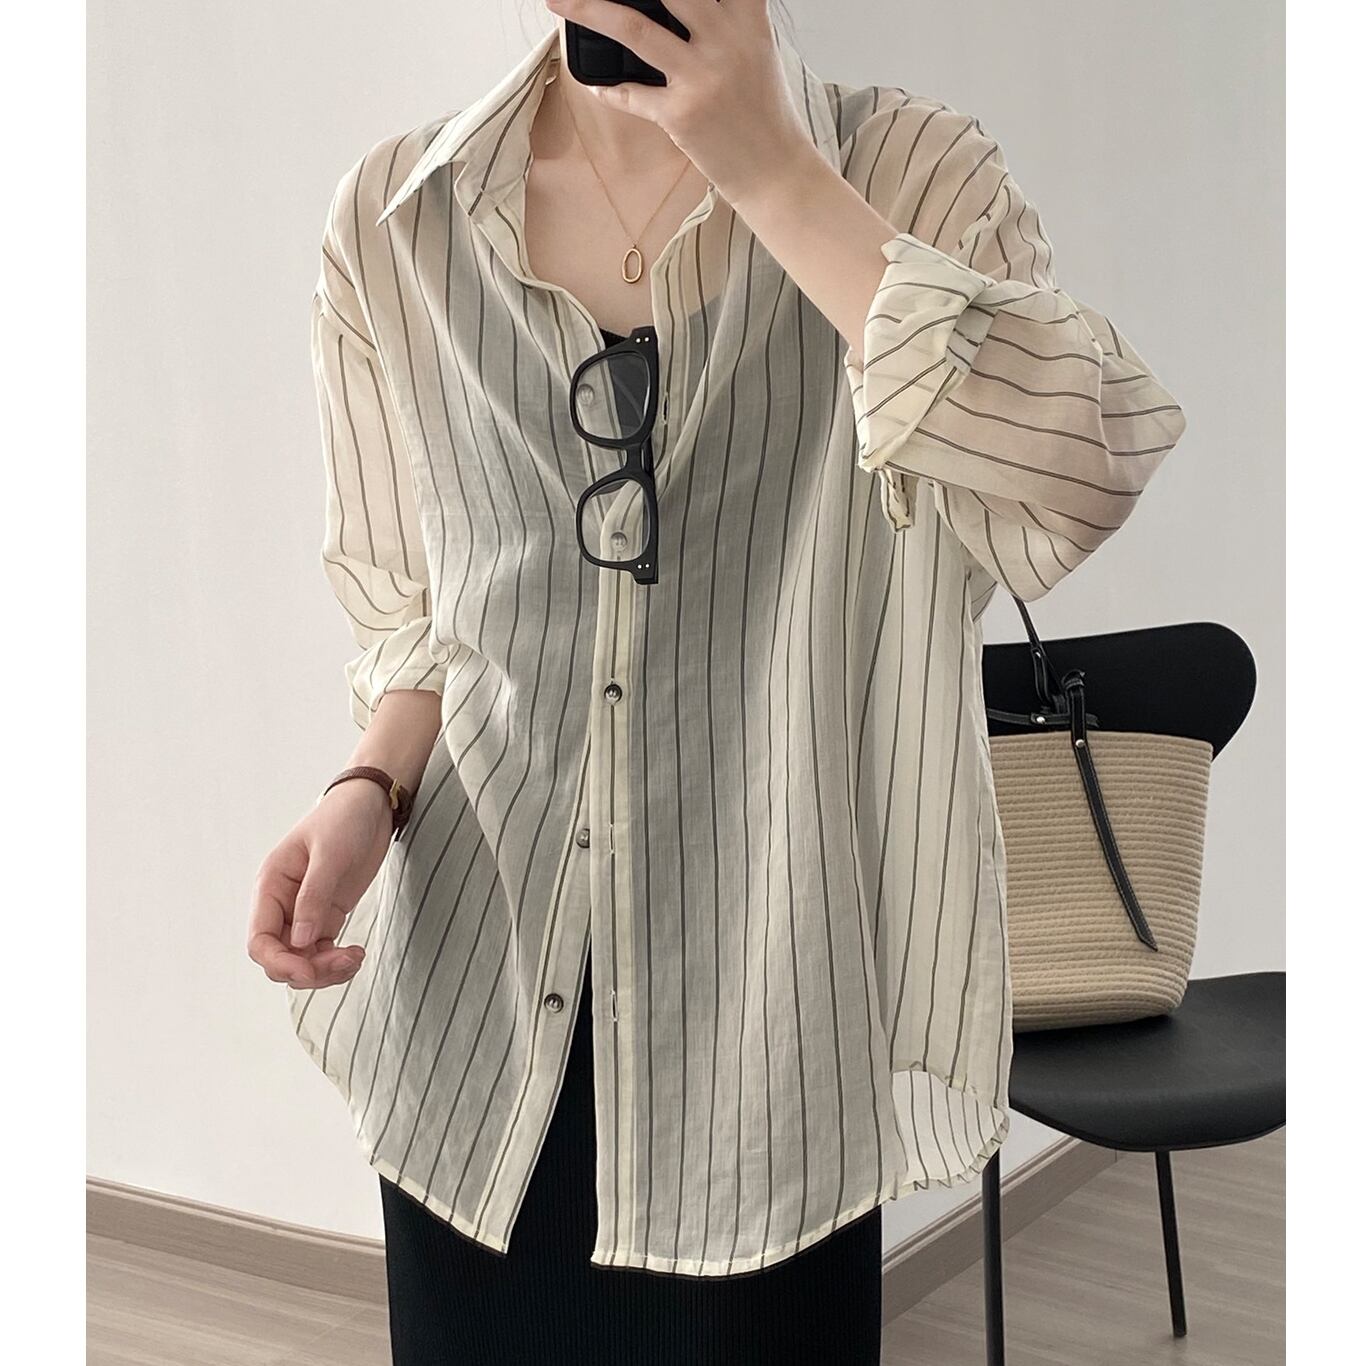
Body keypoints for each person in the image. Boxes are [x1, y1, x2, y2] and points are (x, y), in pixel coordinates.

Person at [247, 2, 1188, 1362]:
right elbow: (422, 614)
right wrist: (370, 785)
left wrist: (769, 169)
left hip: (767, 1040)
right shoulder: (397, 220)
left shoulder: (911, 172)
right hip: (474, 1021)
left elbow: (1077, 469)